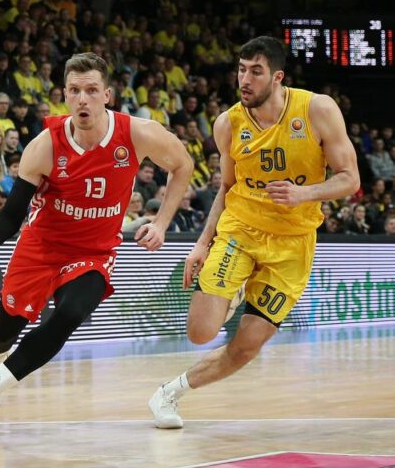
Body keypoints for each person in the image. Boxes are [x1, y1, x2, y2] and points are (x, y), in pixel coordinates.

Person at [0, 53, 193, 434]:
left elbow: (183, 165)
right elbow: (11, 216)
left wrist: (161, 223)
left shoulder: (138, 133)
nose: (83, 99)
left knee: (70, 315)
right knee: (4, 330)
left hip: (94, 252)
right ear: (64, 95)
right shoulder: (44, 146)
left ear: (107, 95)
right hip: (41, 246)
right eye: (75, 91)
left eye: (92, 90)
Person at [148, 37, 360, 429]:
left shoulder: (317, 109)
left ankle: (170, 392)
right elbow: (226, 188)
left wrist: (305, 193)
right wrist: (200, 243)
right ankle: (237, 283)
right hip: (241, 230)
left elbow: (350, 179)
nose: (244, 79)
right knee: (199, 332)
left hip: (293, 244)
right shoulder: (228, 123)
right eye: (241, 70)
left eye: (255, 72)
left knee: (246, 347)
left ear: (278, 77)